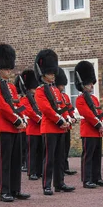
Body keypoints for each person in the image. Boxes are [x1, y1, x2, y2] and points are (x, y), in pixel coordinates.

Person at [0, 44, 30, 202]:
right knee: (5, 161)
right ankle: (4, 190)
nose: (8, 71)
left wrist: (23, 117)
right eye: (5, 69)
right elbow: (2, 107)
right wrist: (16, 119)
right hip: (5, 127)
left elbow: (17, 104)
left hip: (16, 128)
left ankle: (15, 189)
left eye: (9, 69)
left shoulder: (12, 87)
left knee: (15, 161)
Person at [35, 49, 74, 196]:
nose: (53, 76)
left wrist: (67, 119)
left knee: (59, 158)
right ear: (43, 74)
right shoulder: (40, 91)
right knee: (49, 158)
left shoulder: (56, 90)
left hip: (61, 128)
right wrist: (60, 120)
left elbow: (61, 106)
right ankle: (46, 185)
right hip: (49, 128)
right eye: (50, 73)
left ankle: (59, 183)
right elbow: (46, 109)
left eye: (53, 73)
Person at [74, 61, 103, 188]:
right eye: (89, 84)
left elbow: (99, 111)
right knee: (88, 156)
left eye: (91, 83)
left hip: (97, 130)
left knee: (97, 156)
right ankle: (87, 179)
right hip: (89, 130)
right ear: (83, 84)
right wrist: (98, 124)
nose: (91, 85)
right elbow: (87, 114)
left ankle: (97, 177)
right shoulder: (80, 99)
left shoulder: (94, 98)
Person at [18, 69, 43, 181]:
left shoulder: (36, 98)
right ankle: (31, 171)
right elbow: (28, 111)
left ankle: (39, 171)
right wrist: (39, 119)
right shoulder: (24, 99)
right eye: (33, 88)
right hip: (32, 128)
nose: (35, 89)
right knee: (31, 152)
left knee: (40, 151)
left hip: (40, 129)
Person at [56, 67, 78, 176]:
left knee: (66, 147)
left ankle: (65, 167)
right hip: (60, 124)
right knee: (60, 149)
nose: (63, 87)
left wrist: (72, 117)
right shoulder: (56, 95)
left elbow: (70, 108)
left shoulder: (65, 96)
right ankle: (59, 168)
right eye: (61, 85)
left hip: (67, 125)